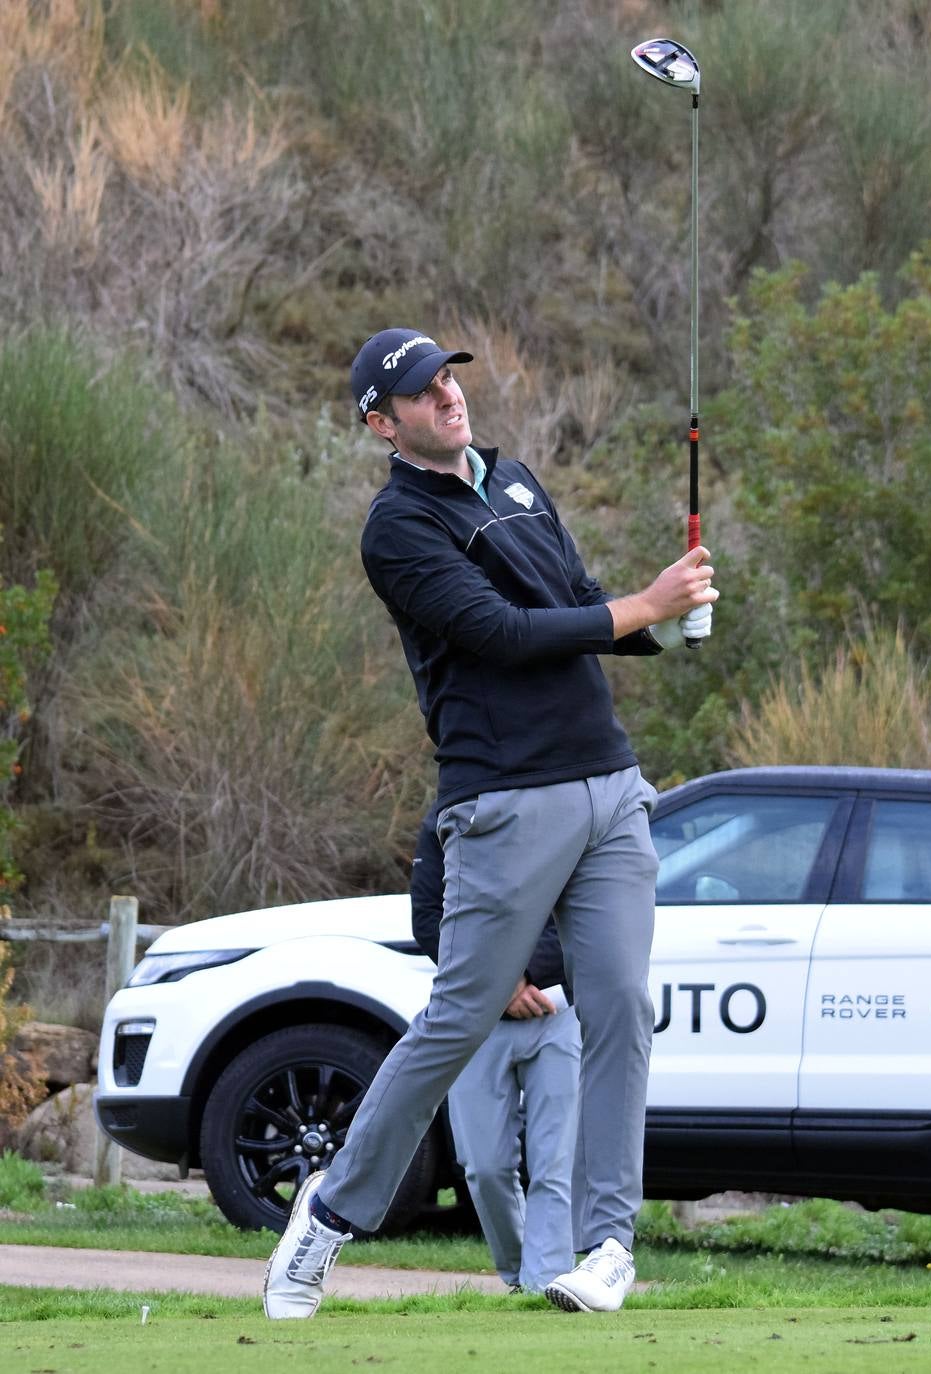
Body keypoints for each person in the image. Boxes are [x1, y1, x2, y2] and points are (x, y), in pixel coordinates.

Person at [263, 327, 717, 1319]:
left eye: (448, 380)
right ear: (384, 424)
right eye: (422, 393)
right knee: (459, 1019)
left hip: (607, 785)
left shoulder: (514, 484)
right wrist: (641, 604)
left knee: (620, 1009)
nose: (447, 396)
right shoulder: (397, 527)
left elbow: (576, 609)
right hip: (503, 798)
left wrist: (664, 621)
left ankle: (603, 1247)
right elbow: (502, 636)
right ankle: (330, 1216)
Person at [411, 806, 581, 1295]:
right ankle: (519, 1274)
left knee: (553, 1161)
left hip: (555, 1007)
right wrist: (502, 982)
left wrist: (525, 977)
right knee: (484, 1167)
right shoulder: (443, 821)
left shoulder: (563, 816)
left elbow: (579, 916)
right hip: (476, 1014)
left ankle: (541, 1283)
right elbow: (429, 920)